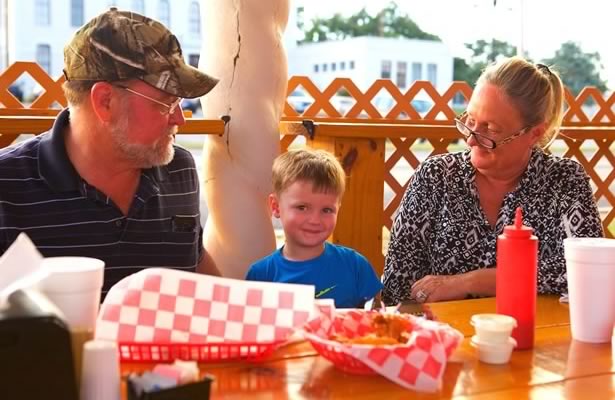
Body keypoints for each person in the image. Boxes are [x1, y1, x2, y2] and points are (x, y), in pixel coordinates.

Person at [0, 8, 221, 295]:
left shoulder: (178, 168)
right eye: (166, 103)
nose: (180, 119)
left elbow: (198, 276)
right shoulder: (6, 185)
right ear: (105, 101)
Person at [382, 57, 604, 305]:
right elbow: (396, 285)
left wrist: (471, 282)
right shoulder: (436, 177)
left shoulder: (564, 180)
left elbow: (591, 268)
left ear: (534, 134)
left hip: (541, 336)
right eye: (471, 121)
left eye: (491, 129)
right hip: (445, 336)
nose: (471, 140)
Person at [246, 149, 383, 308]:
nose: (315, 220)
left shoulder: (356, 266)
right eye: (302, 207)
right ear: (276, 207)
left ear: (338, 209)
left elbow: (376, 318)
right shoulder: (261, 275)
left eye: (326, 210)